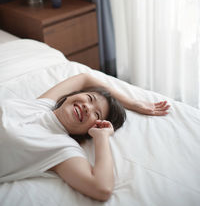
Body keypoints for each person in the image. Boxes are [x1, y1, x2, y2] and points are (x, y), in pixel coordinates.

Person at [0, 73, 170, 201]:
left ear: (93, 127)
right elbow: (84, 78)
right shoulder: (43, 105)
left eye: (96, 113)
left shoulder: (61, 147)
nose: (87, 107)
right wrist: (133, 103)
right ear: (70, 95)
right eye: (89, 98)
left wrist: (102, 137)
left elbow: (102, 188)